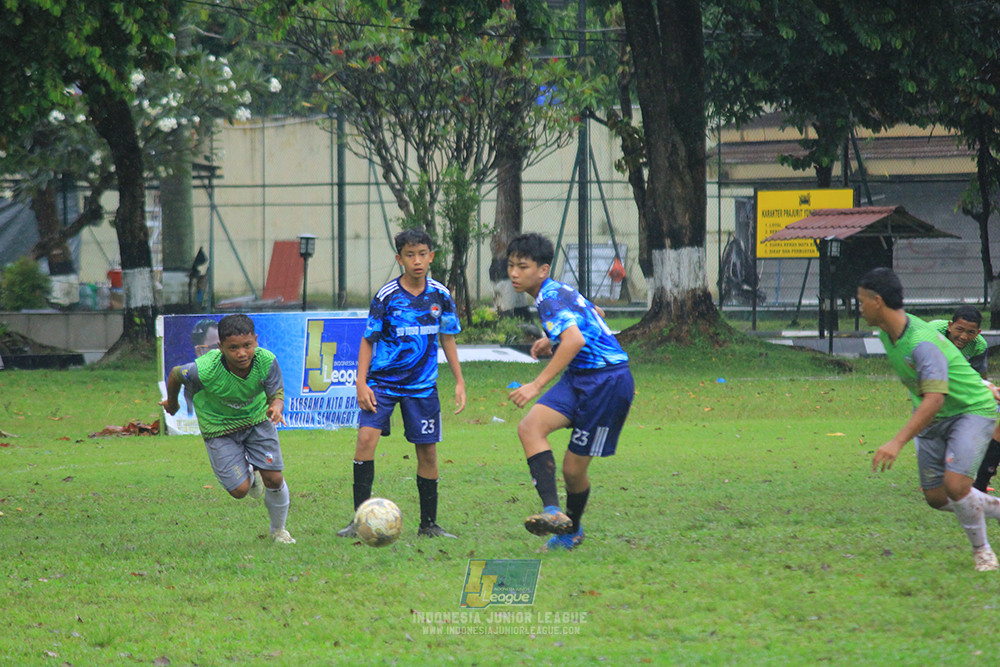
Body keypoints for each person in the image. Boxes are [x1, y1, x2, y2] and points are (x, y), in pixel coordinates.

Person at [859, 268, 1000, 571]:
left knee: (957, 486)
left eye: (861, 301)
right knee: (936, 497)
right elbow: (950, 366)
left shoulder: (920, 341)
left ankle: (983, 553)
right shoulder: (888, 333)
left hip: (970, 410)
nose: (859, 308)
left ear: (878, 302)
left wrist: (897, 442)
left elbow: (935, 398)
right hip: (935, 419)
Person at [506, 233, 634, 551]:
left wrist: (536, 385)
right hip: (580, 377)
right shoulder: (557, 291)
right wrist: (553, 338)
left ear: (543, 270)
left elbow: (576, 340)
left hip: (607, 382)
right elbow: (596, 314)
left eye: (523, 266)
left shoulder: (550, 296)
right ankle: (552, 511)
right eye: (511, 265)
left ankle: (572, 531)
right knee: (530, 427)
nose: (514, 273)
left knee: (573, 470)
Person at [336, 228, 466, 539]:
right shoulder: (386, 296)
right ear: (399, 259)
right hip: (382, 384)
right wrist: (361, 383)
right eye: (410, 255)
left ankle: (429, 525)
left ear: (431, 257)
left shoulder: (440, 296)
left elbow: (447, 338)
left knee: (428, 453)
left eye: (422, 254)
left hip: (422, 387)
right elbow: (369, 340)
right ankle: (360, 522)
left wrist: (459, 381)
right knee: (365, 441)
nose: (417, 261)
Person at [160, 313, 295, 544]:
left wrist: (275, 407)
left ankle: (279, 531)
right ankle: (252, 475)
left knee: (274, 478)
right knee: (240, 490)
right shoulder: (204, 370)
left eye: (247, 345)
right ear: (221, 347)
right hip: (219, 428)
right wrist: (172, 403)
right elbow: (174, 374)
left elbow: (277, 394)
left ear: (256, 340)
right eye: (233, 348)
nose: (242, 353)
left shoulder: (267, 361)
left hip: (256, 421)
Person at [930, 306, 1000, 493]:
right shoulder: (933, 331)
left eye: (970, 332)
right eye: (959, 330)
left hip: (960, 386)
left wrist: (989, 391)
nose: (963, 337)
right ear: (950, 326)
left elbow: (977, 376)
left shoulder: (978, 345)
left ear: (978, 332)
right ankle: (933, 478)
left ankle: (978, 477)